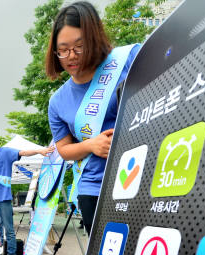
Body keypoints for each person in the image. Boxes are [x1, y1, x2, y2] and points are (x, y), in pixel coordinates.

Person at [46, 1, 140, 236]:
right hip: (93, 188)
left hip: (140, 175)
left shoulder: (129, 59)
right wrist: (91, 145)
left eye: (79, 46)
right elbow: (64, 149)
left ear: (94, 38)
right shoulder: (57, 101)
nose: (71, 56)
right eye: (63, 50)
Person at [0, 128, 53, 255]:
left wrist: (39, 151)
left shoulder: (5, 152)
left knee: (9, 229)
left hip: (4, 198)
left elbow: (23, 152)